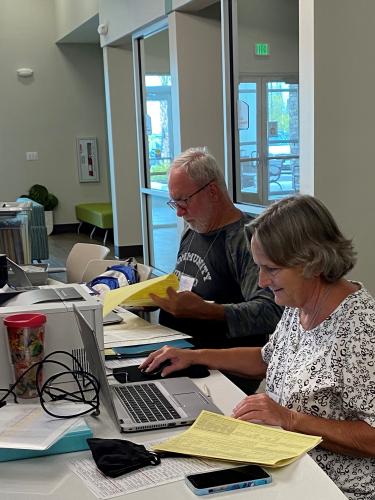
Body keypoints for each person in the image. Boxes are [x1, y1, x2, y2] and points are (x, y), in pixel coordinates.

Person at [142, 194, 375, 500]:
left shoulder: (361, 327)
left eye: (272, 269)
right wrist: (194, 355)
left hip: (333, 488)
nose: (262, 282)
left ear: (312, 262)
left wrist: (289, 418)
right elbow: (266, 358)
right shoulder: (298, 303)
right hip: (285, 465)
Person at [149, 147, 283, 393]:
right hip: (180, 356)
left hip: (220, 373)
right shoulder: (193, 231)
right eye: (174, 203)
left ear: (211, 191)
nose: (179, 212)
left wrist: (210, 312)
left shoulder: (245, 241)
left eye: (184, 201)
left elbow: (271, 311)